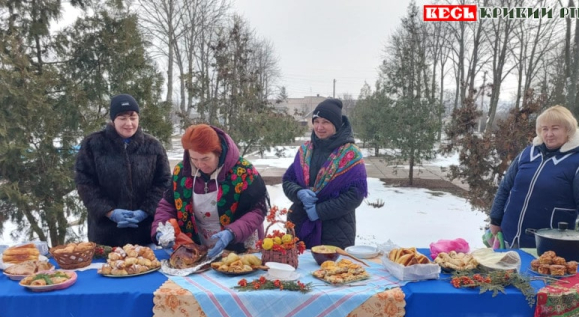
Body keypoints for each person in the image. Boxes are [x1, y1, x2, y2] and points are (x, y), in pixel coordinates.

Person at [489, 105, 579, 249]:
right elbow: (505, 187)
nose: (549, 134)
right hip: (510, 235)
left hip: (549, 243)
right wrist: (495, 219)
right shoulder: (528, 153)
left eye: (555, 128)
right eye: (544, 129)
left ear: (568, 130)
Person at [152, 124, 269, 258]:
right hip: (196, 248)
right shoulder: (182, 172)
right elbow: (167, 205)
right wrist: (160, 230)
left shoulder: (244, 172)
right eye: (194, 159)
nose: (200, 165)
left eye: (205, 159)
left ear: (218, 152)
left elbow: (257, 210)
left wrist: (232, 233)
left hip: (239, 247)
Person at [75, 94, 171, 247]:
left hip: (144, 233)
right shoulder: (93, 144)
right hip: (105, 236)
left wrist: (145, 211)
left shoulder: (153, 146)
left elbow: (164, 182)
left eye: (133, 117)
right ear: (113, 120)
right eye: (122, 118)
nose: (129, 123)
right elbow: (85, 183)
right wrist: (110, 212)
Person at [282, 98, 368, 249]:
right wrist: (299, 192)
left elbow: (355, 195)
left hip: (335, 231)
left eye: (326, 122)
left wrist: (319, 211)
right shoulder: (305, 150)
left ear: (336, 125)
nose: (319, 127)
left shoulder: (350, 154)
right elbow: (289, 180)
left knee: (331, 271)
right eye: (316, 121)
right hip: (300, 224)